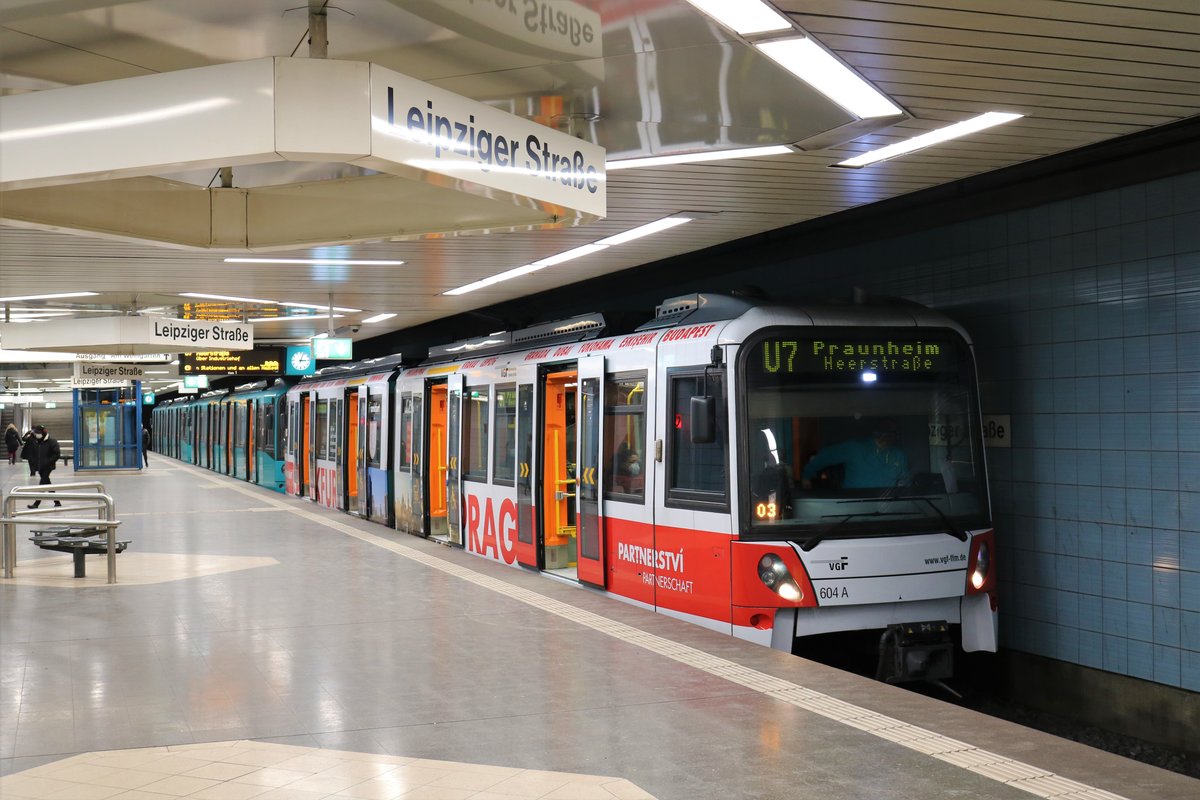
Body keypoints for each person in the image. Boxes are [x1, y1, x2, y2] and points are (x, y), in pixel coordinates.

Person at [801, 417, 909, 490]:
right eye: (886, 430)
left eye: (893, 431)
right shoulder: (854, 447)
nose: (889, 434)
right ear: (878, 431)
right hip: (854, 506)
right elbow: (826, 455)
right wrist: (807, 475)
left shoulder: (899, 455)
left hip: (887, 508)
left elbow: (904, 481)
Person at [26, 425, 62, 508]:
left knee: (42, 483)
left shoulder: (52, 441)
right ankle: (57, 502)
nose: (37, 435)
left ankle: (36, 503)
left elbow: (56, 454)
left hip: (48, 466)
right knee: (47, 483)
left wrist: (48, 462)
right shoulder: (37, 442)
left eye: (38, 433)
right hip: (40, 466)